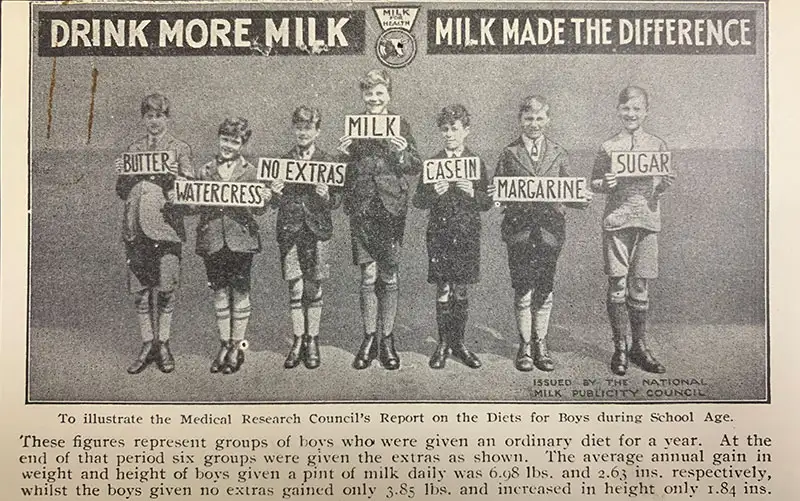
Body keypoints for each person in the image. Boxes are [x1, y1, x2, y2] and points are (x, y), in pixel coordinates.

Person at [491, 95, 591, 372]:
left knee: (545, 288)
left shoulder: (559, 152)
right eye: (528, 119)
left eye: (539, 119)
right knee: (523, 288)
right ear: (520, 121)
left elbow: (570, 190)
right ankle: (524, 345)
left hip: (550, 231)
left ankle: (541, 343)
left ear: (548, 120)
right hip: (519, 231)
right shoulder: (509, 153)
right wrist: (496, 197)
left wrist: (582, 197)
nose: (534, 124)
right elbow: (498, 192)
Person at [338, 69, 423, 370]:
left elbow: (416, 165)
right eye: (369, 94)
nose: (374, 98)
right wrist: (343, 155)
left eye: (379, 93)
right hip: (362, 206)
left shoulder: (401, 125)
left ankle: (387, 339)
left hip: (391, 208)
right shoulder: (354, 126)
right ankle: (369, 337)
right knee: (367, 276)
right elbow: (341, 171)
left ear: (388, 95)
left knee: (388, 274)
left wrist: (401, 154)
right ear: (363, 96)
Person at [590, 86, 676, 376]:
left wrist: (663, 183)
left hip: (647, 222)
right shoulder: (608, 146)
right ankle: (620, 347)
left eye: (637, 109)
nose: (631, 114)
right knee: (617, 285)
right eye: (626, 108)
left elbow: (665, 182)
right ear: (618, 110)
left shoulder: (657, 145)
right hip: (617, 222)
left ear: (646, 112)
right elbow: (594, 183)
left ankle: (640, 346)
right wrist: (606, 183)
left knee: (640, 287)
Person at [115, 93, 192, 375]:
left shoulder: (179, 149)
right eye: (149, 116)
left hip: (166, 229)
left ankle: (163, 344)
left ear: (167, 118)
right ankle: (147, 343)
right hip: (136, 229)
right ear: (143, 119)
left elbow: (192, 194)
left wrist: (176, 177)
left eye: (159, 116)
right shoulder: (133, 149)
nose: (154, 122)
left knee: (166, 289)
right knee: (140, 291)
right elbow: (122, 191)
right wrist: (123, 175)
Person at [412, 104, 492, 369]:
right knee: (443, 287)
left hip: (467, 233)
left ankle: (460, 343)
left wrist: (473, 193)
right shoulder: (432, 163)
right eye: (444, 129)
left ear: (466, 131)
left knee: (461, 287)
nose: (449, 134)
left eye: (454, 129)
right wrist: (434, 192)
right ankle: (443, 344)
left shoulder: (476, 162)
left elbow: (487, 202)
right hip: (440, 234)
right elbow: (418, 201)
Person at [195, 117, 269, 374]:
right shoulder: (204, 171)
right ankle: (224, 344)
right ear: (218, 138)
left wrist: (265, 198)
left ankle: (237, 346)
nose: (228, 145)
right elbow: (194, 205)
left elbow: (260, 211)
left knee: (239, 291)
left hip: (241, 241)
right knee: (219, 292)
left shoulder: (251, 172)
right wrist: (180, 196)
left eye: (235, 141)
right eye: (225, 139)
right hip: (213, 239)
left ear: (243, 143)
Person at [271, 106, 342, 369]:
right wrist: (275, 192)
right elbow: (272, 203)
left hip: (318, 230)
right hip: (290, 229)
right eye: (299, 127)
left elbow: (337, 200)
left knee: (314, 287)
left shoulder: (328, 161)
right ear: (293, 129)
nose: (303, 132)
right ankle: (298, 339)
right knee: (295, 286)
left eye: (308, 127)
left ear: (317, 131)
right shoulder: (282, 161)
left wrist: (326, 195)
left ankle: (312, 339)